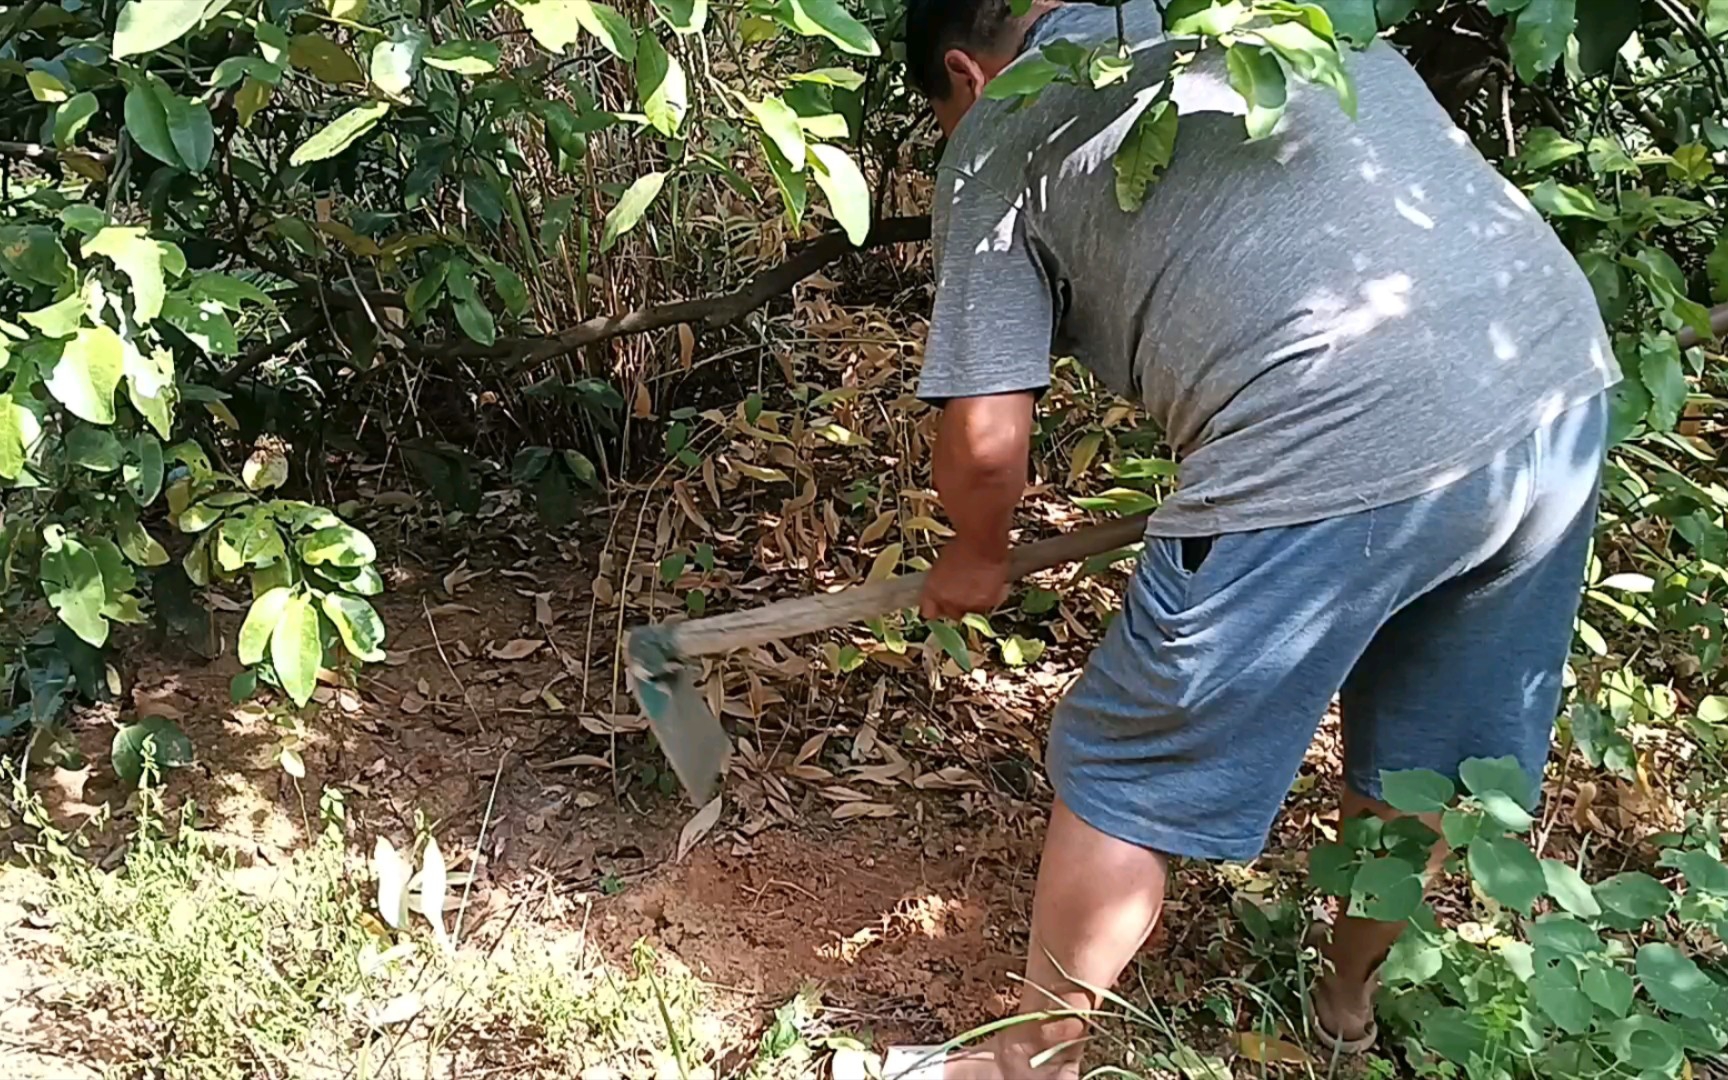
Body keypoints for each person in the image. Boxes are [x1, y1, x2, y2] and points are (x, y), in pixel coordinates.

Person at [883, 0, 1621, 1076]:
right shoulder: (1271, 14)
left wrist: (976, 553)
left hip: (1336, 415)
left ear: (967, 74)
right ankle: (1343, 1020)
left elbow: (988, 444)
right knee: (1423, 759)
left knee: (1126, 762)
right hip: (1553, 378)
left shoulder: (1009, 124)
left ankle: (1022, 1063)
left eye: (946, 115)